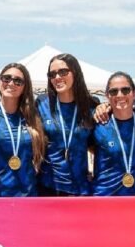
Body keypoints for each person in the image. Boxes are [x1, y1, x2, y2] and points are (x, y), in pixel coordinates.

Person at [37, 54, 97, 196]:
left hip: (80, 188)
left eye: (63, 72)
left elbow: (96, 145)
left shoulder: (91, 105)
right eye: (52, 74)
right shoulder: (41, 104)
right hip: (48, 186)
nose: (57, 77)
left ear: (75, 72)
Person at [0, 63, 46, 197]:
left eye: (18, 81)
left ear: (24, 87)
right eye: (6, 78)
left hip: (28, 194)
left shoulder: (33, 116)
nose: (11, 83)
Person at [90, 72, 135, 196]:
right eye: (114, 91)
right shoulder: (97, 122)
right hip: (105, 198)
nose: (120, 95)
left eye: (125, 90)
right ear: (107, 96)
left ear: (134, 94)